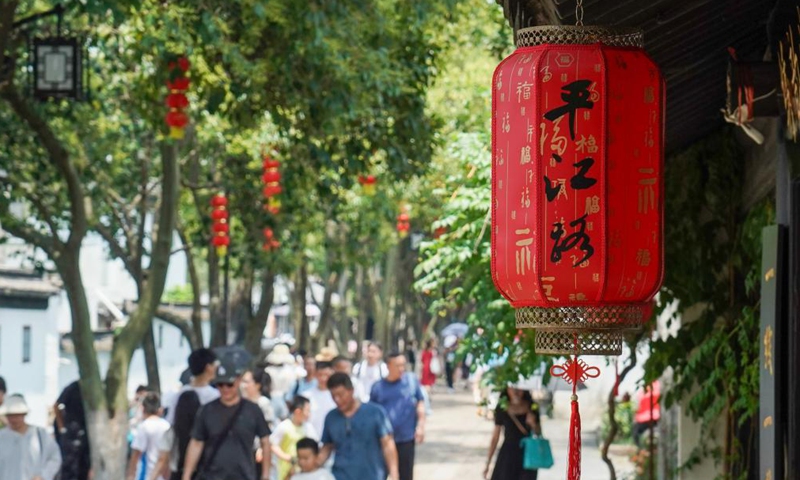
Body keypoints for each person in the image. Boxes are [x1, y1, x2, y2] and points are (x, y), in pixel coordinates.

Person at [182, 365, 272, 480]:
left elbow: (265, 441)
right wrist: (186, 475)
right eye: (220, 385)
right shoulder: (206, 411)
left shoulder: (253, 410)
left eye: (229, 384)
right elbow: (196, 443)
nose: (225, 389)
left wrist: (265, 475)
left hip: (244, 475)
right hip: (211, 476)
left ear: (238, 381)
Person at [317, 373, 399, 480]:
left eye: (341, 395)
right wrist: (314, 463)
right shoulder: (331, 417)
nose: (337, 400)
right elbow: (327, 446)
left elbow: (387, 444)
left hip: (372, 475)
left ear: (351, 390)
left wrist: (394, 474)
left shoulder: (375, 413)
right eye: (333, 396)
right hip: (340, 475)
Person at [369, 352, 425, 480]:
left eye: (403, 365)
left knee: (405, 476)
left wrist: (421, 425)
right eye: (397, 365)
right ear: (388, 366)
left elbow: (420, 403)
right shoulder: (377, 387)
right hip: (383, 441)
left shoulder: (411, 381)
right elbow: (371, 414)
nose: (401, 369)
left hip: (406, 439)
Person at [484, 386, 542, 480]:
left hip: (527, 455)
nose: (515, 392)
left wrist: (533, 424)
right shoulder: (502, 407)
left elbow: (538, 433)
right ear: (507, 389)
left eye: (519, 388)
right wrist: (488, 463)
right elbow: (495, 437)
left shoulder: (532, 407)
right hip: (507, 454)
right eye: (512, 388)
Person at [0, 394, 62, 480]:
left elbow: (54, 457)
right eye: (10, 415)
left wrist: (44, 476)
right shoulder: (2, 437)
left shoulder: (40, 434)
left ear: (24, 414)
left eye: (17, 415)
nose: (13, 419)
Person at [148, 390, 202, 480]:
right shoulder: (203, 432)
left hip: (177, 474)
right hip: (201, 474)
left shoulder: (172, 432)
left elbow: (162, 460)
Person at [166, 349, 221, 425]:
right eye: (216, 364)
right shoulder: (215, 395)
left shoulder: (180, 393)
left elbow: (170, 420)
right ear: (208, 367)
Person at [270, 397, 318, 480]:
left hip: (301, 472)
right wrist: (287, 457)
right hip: (284, 472)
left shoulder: (308, 428)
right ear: (298, 411)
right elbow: (273, 445)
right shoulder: (284, 426)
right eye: (307, 411)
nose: (309, 414)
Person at [127, 392, 170, 480]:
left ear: (143, 409)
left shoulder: (144, 427)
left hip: (147, 475)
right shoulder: (167, 426)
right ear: (160, 409)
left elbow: (136, 455)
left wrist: (130, 476)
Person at [54, 381, 90, 480]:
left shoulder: (94, 388)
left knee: (84, 466)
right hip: (71, 433)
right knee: (69, 467)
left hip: (87, 434)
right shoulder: (73, 387)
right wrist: (62, 428)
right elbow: (56, 405)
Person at [304, 361, 336, 437]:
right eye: (320, 375)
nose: (323, 378)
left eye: (327, 375)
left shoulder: (337, 396)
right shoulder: (306, 396)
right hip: (310, 438)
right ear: (315, 374)